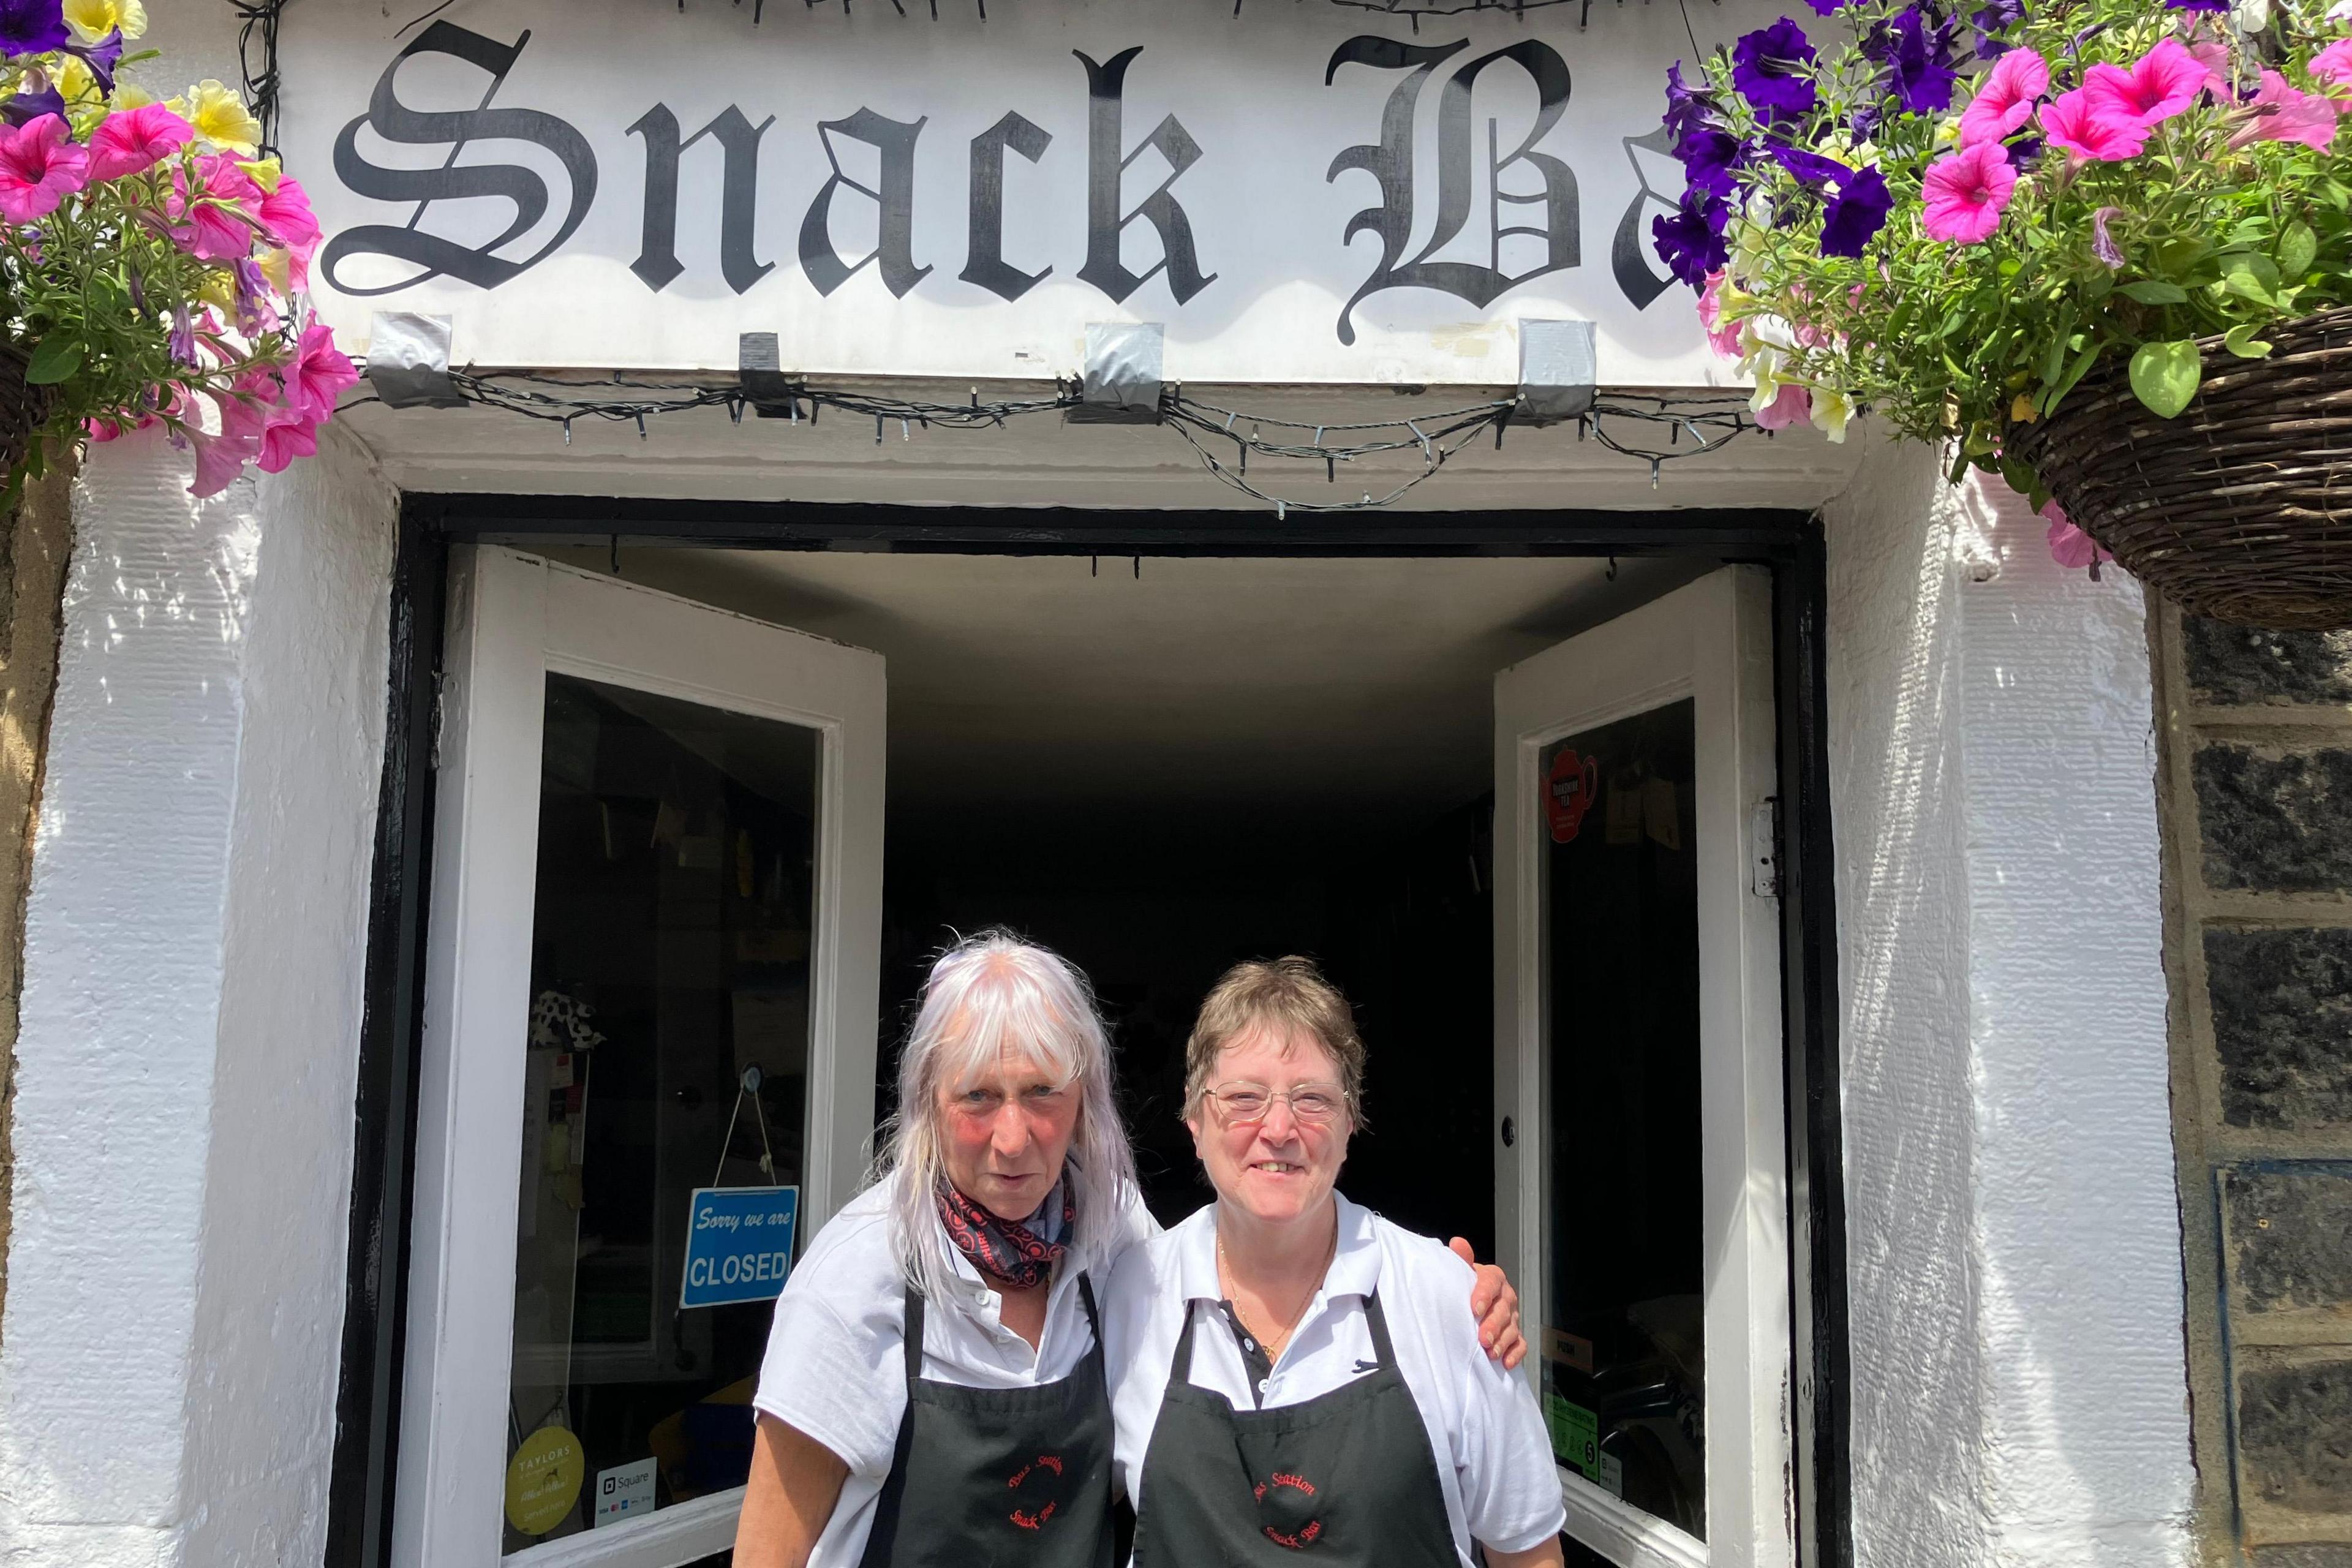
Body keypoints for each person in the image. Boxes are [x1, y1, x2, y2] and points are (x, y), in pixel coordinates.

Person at [733, 931, 1525, 1568]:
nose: (1014, 1139)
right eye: (977, 1096)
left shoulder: (1110, 1236)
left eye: (1042, 1091)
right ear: (927, 1103)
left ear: (1083, 1099)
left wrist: (1461, 1294)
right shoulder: (853, 1287)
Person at [1103, 956, 1567, 1568]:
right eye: (1244, 1097)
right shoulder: (1131, 1293)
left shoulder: (1444, 1297)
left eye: (1312, 1098)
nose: (1279, 1127)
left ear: (1351, 1121)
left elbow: (1527, 1554)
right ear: (1194, 1117)